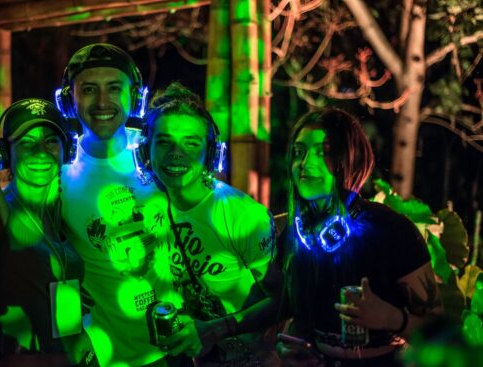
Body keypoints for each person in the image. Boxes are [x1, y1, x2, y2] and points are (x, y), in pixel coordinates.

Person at [0, 2, 89, 366]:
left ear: (65, 150)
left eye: (50, 141)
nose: (40, 152)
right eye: (25, 143)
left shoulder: (66, 217)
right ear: (6, 154)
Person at [277, 108, 443, 366]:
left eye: (324, 152)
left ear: (350, 159)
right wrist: (294, 348)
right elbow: (289, 315)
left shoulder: (391, 230)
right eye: (299, 152)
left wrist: (392, 318)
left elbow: (440, 332)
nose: (306, 163)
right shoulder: (296, 235)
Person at [137, 82, 277, 366]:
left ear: (211, 154)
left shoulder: (241, 215)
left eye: (191, 142)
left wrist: (219, 329)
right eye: (164, 142)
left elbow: (283, 299)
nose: (176, 153)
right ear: (145, 152)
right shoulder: (145, 207)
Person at [58, 43, 179, 367]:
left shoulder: (159, 156)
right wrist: (73, 340)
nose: (102, 102)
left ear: (134, 96)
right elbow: (54, 268)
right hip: (102, 355)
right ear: (70, 100)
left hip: (176, 349)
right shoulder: (58, 176)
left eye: (114, 88)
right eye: (88, 90)